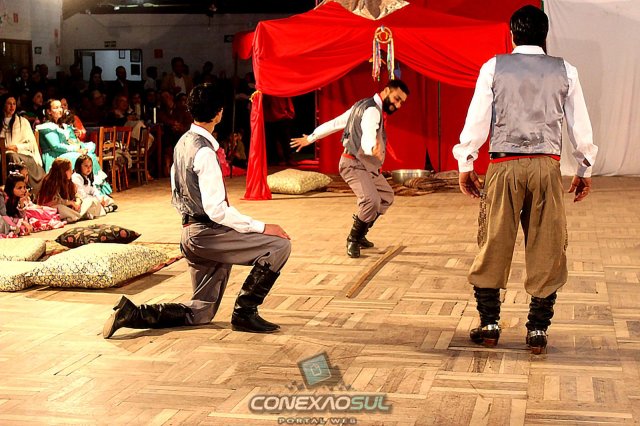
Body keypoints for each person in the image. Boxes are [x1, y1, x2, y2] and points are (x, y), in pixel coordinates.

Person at [452, 5, 598, 354]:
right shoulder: (566, 70)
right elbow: (580, 126)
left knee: (493, 243)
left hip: (504, 166)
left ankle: (489, 325)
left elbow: (477, 120)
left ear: (511, 34)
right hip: (547, 167)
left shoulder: (493, 67)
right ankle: (537, 330)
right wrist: (585, 169)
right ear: (545, 35)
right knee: (548, 246)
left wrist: (466, 162)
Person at [103, 83, 291, 339]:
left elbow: (176, 192)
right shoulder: (204, 152)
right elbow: (217, 211)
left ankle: (133, 313)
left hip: (190, 233)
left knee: (201, 311)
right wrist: (262, 226)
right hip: (207, 234)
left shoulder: (182, 143)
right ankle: (245, 312)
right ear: (219, 113)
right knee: (279, 245)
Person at [291, 79, 409, 258]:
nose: (398, 105)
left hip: (366, 165)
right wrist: (372, 148)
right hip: (353, 164)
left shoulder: (361, 105)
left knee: (386, 196)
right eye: (397, 98)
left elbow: (335, 123)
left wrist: (311, 138)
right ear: (386, 91)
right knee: (370, 201)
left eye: (401, 102)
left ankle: (361, 234)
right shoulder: (372, 111)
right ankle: (353, 239)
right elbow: (368, 134)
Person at [36, 99, 112, 196]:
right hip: (54, 155)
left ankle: (93, 188)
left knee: (88, 155)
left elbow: (70, 141)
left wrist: (80, 147)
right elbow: (56, 146)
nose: (60, 110)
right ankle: (81, 189)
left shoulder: (61, 126)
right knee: (80, 157)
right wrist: (75, 149)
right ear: (49, 111)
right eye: (56, 108)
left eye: (60, 107)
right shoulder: (47, 127)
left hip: (64, 152)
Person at [1, 94, 45, 195]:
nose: (12, 106)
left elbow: (30, 144)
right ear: (3, 105)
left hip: (22, 153)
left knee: (13, 156)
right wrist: (4, 148)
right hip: (4, 155)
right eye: (9, 104)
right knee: (11, 155)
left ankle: (27, 188)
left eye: (14, 104)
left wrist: (17, 147)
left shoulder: (22, 122)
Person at [38, 157, 102, 223]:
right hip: (56, 208)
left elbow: (77, 195)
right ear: (63, 171)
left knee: (91, 201)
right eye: (69, 169)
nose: (72, 172)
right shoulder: (50, 182)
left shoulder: (68, 181)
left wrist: (77, 202)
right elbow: (53, 201)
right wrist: (70, 203)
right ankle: (78, 216)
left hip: (70, 209)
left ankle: (75, 216)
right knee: (60, 208)